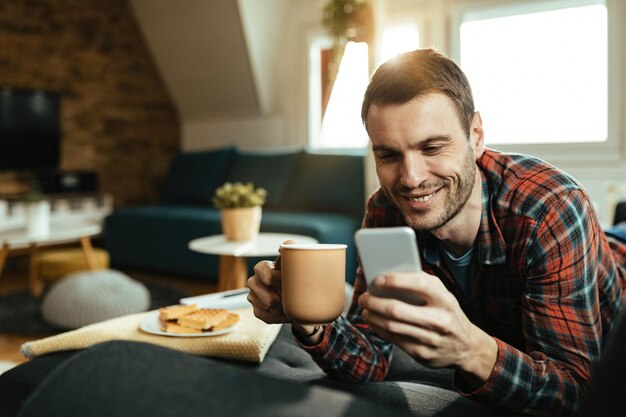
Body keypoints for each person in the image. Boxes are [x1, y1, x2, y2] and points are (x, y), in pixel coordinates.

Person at [246, 48, 626, 417]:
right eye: (389, 155)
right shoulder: (384, 210)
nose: (410, 180)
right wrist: (307, 320)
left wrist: (471, 350)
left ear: (476, 136)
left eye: (432, 147)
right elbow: (370, 360)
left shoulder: (549, 209)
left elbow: (575, 396)